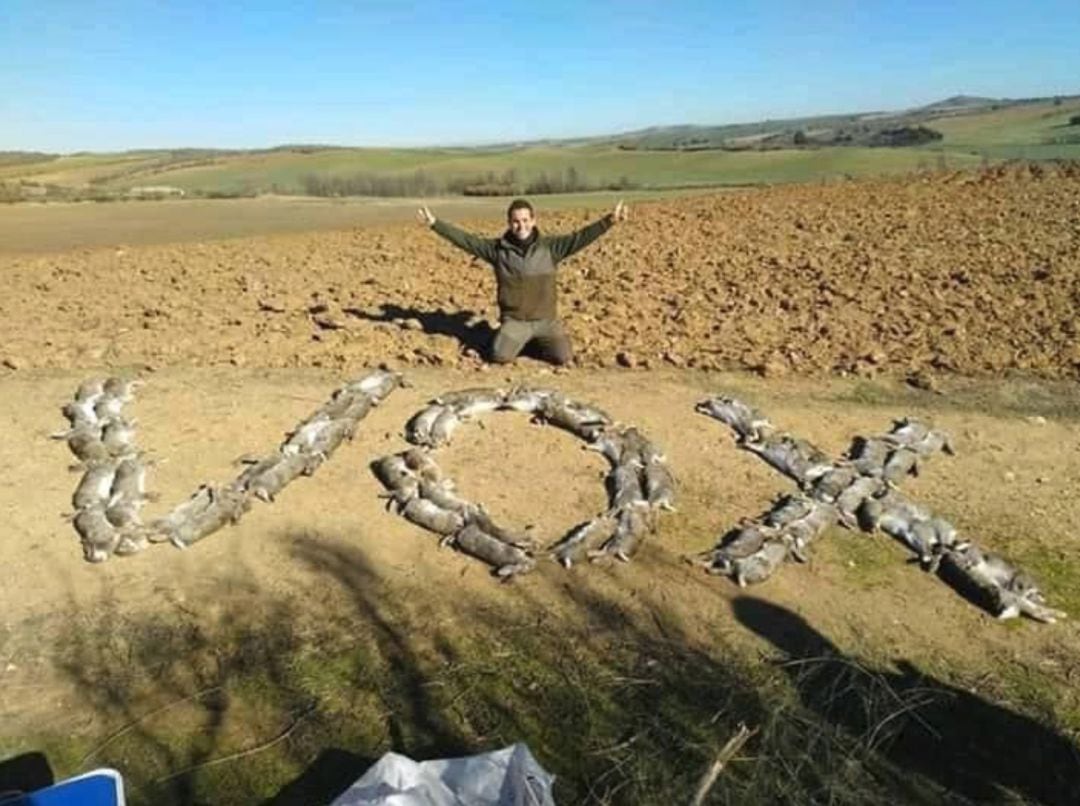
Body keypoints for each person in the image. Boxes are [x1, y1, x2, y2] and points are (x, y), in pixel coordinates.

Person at [417, 198, 627, 365]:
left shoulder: (551, 248)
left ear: (533, 220)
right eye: (516, 221)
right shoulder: (497, 250)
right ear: (509, 223)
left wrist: (609, 221)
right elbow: (467, 241)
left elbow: (581, 237)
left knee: (563, 357)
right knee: (499, 356)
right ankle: (511, 338)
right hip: (516, 321)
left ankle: (530, 342)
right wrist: (435, 224)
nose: (521, 225)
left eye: (525, 220)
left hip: (546, 321)